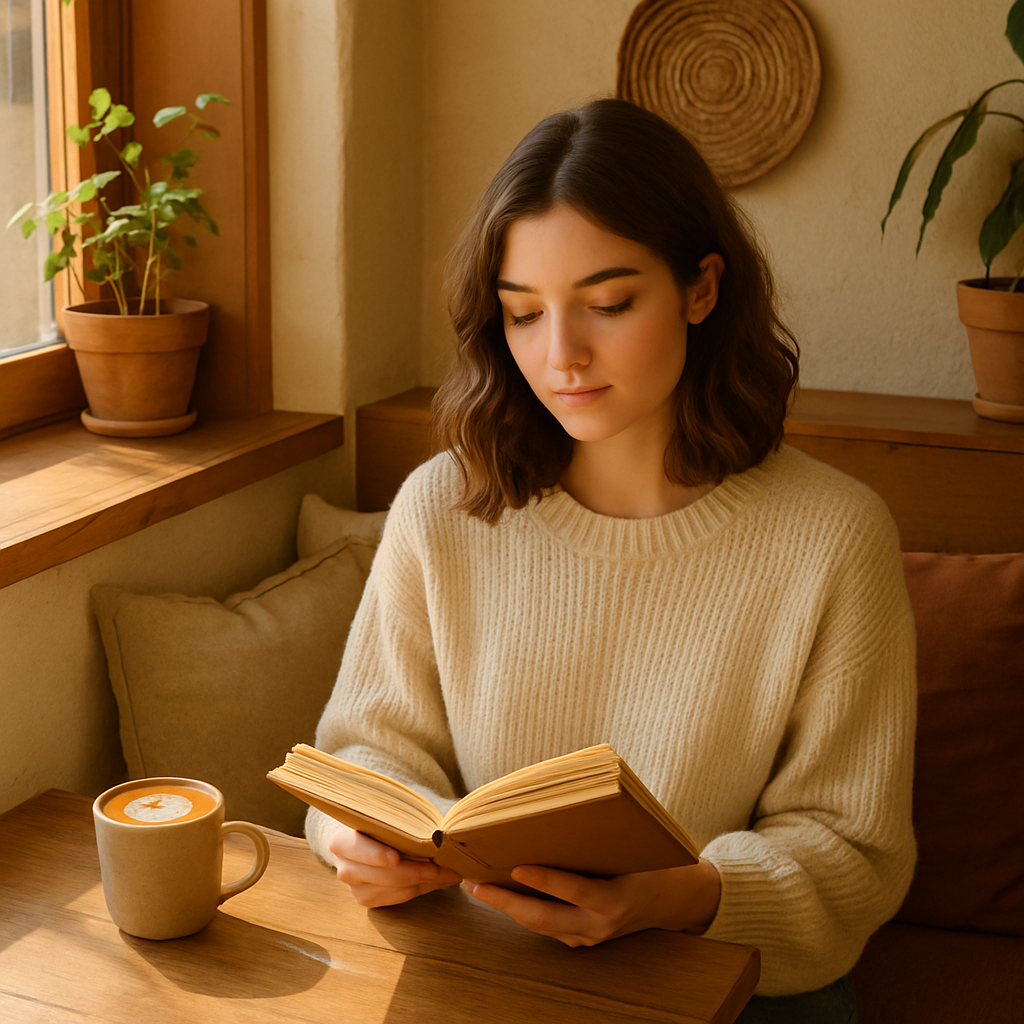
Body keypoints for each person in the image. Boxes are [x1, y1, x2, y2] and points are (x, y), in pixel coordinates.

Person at [306, 98, 915, 1021]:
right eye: (523, 314)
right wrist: (355, 835)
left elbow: (853, 848)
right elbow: (366, 754)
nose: (562, 358)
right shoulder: (446, 505)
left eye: (609, 303)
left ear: (702, 289)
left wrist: (678, 896)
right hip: (484, 961)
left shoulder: (832, 536)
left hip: (728, 980)